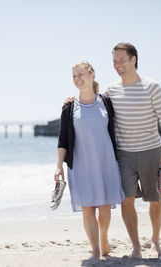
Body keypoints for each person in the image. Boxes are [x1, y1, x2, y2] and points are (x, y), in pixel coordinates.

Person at [64, 43, 161, 259]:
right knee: (127, 199)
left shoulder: (152, 87)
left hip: (151, 150)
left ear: (134, 59)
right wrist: (72, 101)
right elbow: (92, 102)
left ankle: (155, 241)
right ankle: (136, 245)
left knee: (155, 199)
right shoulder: (111, 92)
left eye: (121, 60)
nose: (117, 65)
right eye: (114, 61)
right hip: (124, 154)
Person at [55, 61, 125, 260]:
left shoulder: (105, 102)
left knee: (104, 207)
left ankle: (103, 237)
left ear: (92, 74)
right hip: (81, 165)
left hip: (105, 162)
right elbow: (63, 140)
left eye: (80, 74)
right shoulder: (69, 107)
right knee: (88, 208)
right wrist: (58, 166)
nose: (77, 79)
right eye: (74, 76)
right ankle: (95, 249)